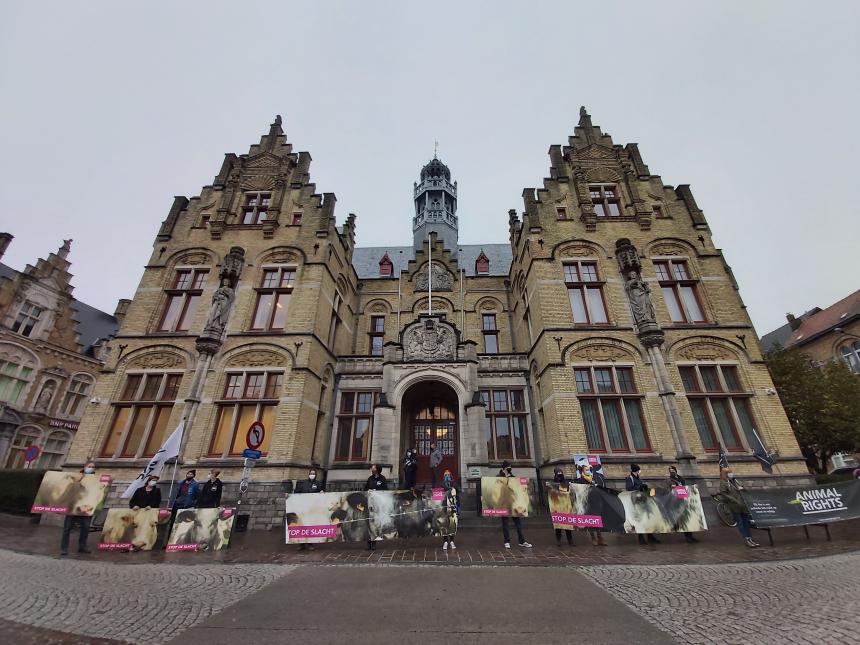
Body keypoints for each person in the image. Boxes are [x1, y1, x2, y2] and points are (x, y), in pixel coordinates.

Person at [60, 461, 97, 556]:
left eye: (93, 467)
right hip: (73, 506)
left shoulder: (96, 479)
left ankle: (82, 546)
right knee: (67, 528)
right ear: (85, 467)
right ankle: (64, 548)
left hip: (86, 507)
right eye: (89, 466)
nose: (91, 468)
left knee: (85, 528)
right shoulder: (77, 477)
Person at [720, 466, 759, 548]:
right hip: (735, 505)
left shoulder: (734, 481)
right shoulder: (723, 483)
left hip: (742, 504)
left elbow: (741, 488)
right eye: (729, 473)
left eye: (731, 472)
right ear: (725, 474)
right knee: (740, 523)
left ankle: (750, 538)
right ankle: (746, 539)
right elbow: (723, 493)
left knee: (746, 522)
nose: (731, 474)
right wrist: (733, 500)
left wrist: (741, 488)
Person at [498, 461, 532, 549]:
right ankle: (507, 541)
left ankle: (522, 541)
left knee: (518, 522)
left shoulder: (513, 477)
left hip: (514, 504)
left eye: (510, 467)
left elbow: (519, 487)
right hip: (505, 504)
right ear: (503, 468)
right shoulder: (499, 477)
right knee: (505, 523)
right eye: (507, 468)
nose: (509, 469)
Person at [626, 464, 660, 545]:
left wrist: (645, 488)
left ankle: (650, 536)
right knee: (639, 519)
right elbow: (629, 488)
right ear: (636, 470)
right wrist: (639, 488)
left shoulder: (639, 478)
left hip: (643, 500)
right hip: (636, 501)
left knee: (647, 517)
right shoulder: (629, 478)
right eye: (638, 470)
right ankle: (641, 537)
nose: (639, 471)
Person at [575, 463, 607, 546]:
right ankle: (593, 537)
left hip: (596, 502)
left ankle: (600, 537)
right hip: (587, 503)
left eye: (589, 469)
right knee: (590, 521)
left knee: (598, 520)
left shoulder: (594, 478)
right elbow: (578, 492)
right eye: (586, 470)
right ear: (582, 471)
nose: (588, 471)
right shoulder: (580, 480)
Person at [294, 468, 325, 551]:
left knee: (311, 526)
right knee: (302, 525)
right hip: (303, 508)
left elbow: (322, 494)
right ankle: (302, 544)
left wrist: (322, 493)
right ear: (309, 474)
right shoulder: (303, 483)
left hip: (312, 509)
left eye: (313, 473)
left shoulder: (318, 484)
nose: (312, 475)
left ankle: (310, 543)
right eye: (311, 473)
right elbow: (296, 493)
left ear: (315, 475)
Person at [668, 466, 699, 543]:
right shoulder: (669, 480)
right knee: (683, 519)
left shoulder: (681, 478)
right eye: (670, 471)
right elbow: (668, 489)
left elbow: (685, 487)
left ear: (675, 470)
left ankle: (690, 536)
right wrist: (671, 487)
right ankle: (687, 537)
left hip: (684, 500)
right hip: (676, 502)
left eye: (672, 470)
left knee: (688, 518)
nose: (671, 472)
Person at [365, 464, 387, 550]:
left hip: (378, 505)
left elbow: (385, 490)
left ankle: (374, 543)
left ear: (377, 469)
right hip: (370, 504)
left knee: (375, 523)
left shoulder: (382, 479)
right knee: (369, 522)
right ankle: (368, 543)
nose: (372, 469)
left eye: (373, 468)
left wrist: (377, 492)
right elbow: (365, 488)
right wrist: (369, 490)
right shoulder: (370, 479)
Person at [551, 467, 574, 546]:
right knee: (558, 525)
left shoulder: (565, 482)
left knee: (568, 524)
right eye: (558, 473)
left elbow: (569, 492)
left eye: (561, 473)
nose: (560, 475)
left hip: (565, 506)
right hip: (557, 506)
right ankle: (558, 540)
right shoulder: (553, 483)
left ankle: (570, 540)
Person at [441, 469, 459, 550]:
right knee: (444, 525)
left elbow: (457, 497)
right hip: (444, 508)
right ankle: (445, 542)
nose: (447, 476)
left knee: (452, 525)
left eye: (448, 475)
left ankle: (452, 541)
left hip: (452, 508)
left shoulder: (454, 485)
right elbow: (437, 496)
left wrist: (458, 507)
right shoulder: (441, 485)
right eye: (446, 475)